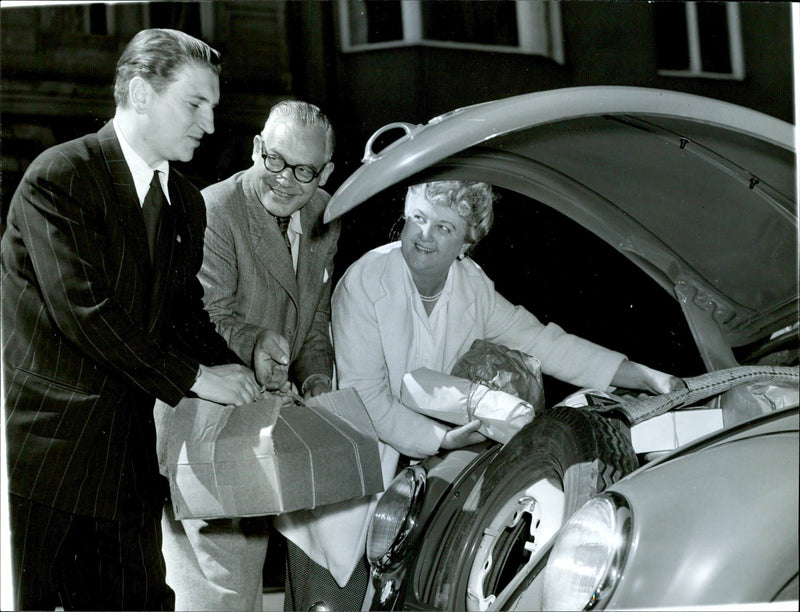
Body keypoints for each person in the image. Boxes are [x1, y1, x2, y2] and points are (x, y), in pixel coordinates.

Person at [310, 179, 682, 607]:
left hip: (407, 488)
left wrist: (642, 375)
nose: (424, 236)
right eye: (418, 218)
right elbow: (365, 398)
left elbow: (545, 344)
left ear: (465, 245)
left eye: (443, 228)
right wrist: (443, 439)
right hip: (349, 479)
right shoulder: (366, 281)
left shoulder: (472, 288)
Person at [1, 29, 263, 611]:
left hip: (125, 466)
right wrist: (197, 378)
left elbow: (179, 312)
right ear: (141, 93)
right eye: (195, 104)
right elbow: (89, 314)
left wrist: (242, 365)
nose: (211, 124)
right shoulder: (61, 176)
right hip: (46, 463)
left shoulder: (187, 204)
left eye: (214, 107)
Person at [159, 100, 340, 611]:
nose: (284, 180)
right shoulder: (213, 210)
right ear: (258, 148)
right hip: (207, 428)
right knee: (228, 591)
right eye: (275, 160)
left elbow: (315, 320)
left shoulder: (327, 215)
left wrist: (317, 378)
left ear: (323, 173)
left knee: (240, 589)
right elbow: (208, 316)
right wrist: (257, 342)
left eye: (303, 171)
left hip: (267, 429)